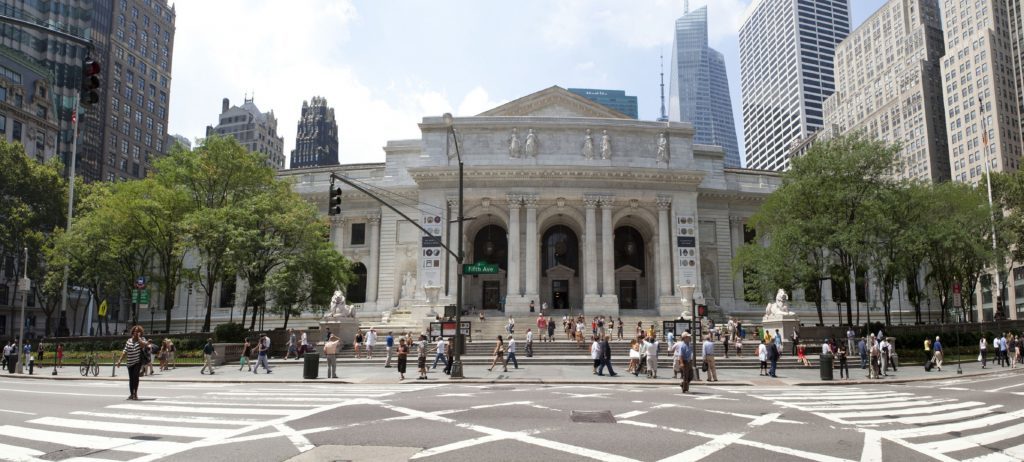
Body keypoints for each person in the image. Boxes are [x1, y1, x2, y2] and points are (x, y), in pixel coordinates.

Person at [115, 325, 148, 400]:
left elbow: (143, 346)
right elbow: (125, 351)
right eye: (135, 331)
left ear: (140, 333)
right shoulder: (129, 340)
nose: (136, 332)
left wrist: (139, 338)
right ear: (132, 332)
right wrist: (119, 360)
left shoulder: (142, 339)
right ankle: (131, 394)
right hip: (129, 362)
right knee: (131, 378)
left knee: (135, 377)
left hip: (137, 361)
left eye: (138, 331)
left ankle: (135, 393)